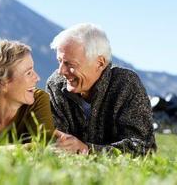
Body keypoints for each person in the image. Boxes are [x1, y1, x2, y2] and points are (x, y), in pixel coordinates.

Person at [46, 23, 156, 155]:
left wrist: (87, 150)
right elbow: (54, 144)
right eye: (60, 61)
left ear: (100, 63)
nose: (61, 71)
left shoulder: (126, 84)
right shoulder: (55, 84)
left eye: (70, 64)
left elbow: (142, 148)